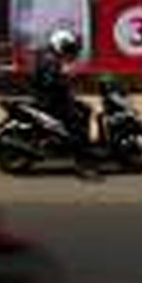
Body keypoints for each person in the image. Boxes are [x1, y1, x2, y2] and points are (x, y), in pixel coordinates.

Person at [31, 29, 97, 179]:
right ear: (59, 45)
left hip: (54, 98)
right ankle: (82, 163)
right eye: (67, 48)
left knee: (86, 109)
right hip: (50, 101)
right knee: (77, 123)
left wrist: (67, 79)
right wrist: (66, 79)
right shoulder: (49, 60)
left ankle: (83, 146)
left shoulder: (52, 58)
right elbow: (51, 82)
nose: (69, 53)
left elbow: (57, 80)